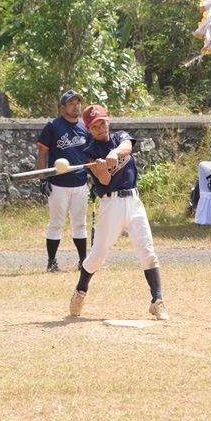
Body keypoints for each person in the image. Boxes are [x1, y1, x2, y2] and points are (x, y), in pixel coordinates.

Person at [68, 104, 168, 320]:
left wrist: (113, 153)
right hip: (111, 204)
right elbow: (103, 181)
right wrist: (101, 168)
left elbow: (127, 148)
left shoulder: (119, 137)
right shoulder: (89, 153)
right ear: (88, 129)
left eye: (103, 122)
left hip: (134, 201)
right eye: (95, 126)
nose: (101, 128)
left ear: (108, 121)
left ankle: (157, 300)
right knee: (97, 256)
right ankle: (80, 292)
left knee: (147, 251)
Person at [36, 90, 90, 273]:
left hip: (80, 182)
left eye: (77, 103)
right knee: (56, 222)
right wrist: (44, 178)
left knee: (80, 223)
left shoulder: (84, 127)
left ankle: (83, 261)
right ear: (63, 107)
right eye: (71, 103)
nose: (75, 106)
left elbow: (90, 156)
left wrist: (95, 179)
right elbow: (42, 152)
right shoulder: (53, 126)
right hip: (58, 184)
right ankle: (52, 262)